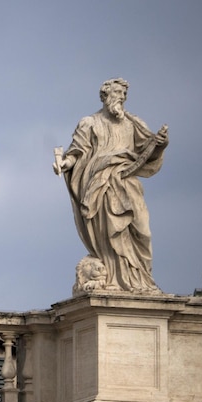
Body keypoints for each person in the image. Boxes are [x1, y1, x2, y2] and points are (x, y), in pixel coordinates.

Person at [54, 78, 169, 292]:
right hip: (100, 185)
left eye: (124, 94)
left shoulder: (133, 123)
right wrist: (64, 163)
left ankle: (140, 279)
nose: (122, 98)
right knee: (109, 234)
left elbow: (149, 151)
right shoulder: (89, 123)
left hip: (127, 183)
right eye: (118, 93)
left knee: (142, 230)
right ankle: (115, 278)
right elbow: (76, 152)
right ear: (105, 96)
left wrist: (161, 144)